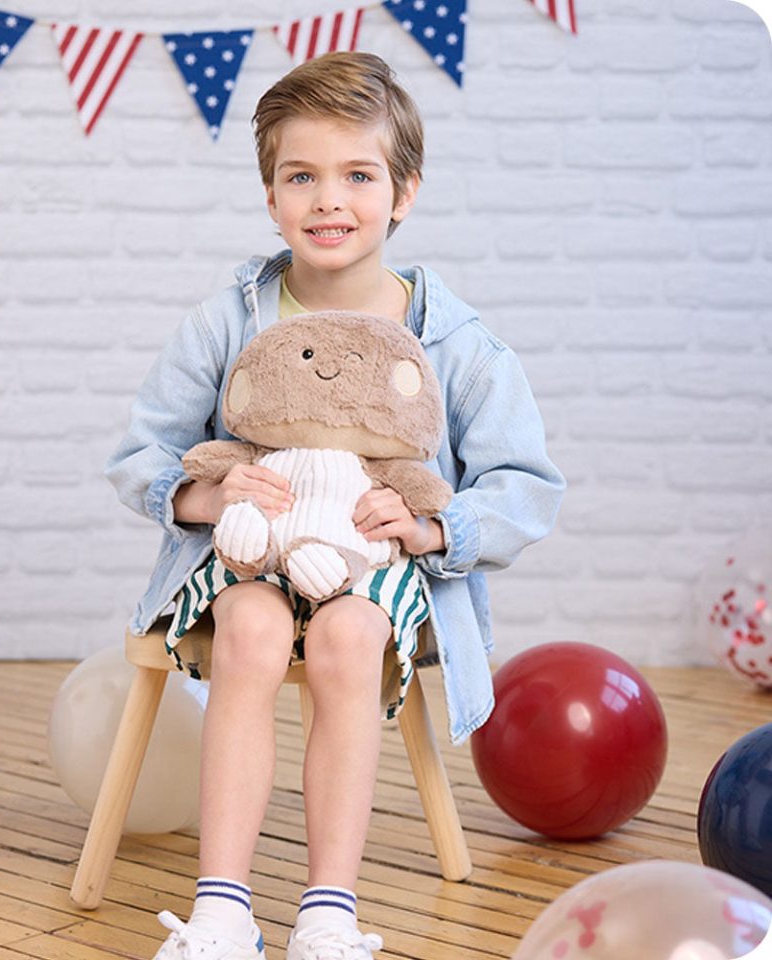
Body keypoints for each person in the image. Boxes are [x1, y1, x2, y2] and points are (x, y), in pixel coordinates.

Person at [106, 51, 564, 960]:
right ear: (270, 195)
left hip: (376, 574)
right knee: (249, 628)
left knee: (349, 639)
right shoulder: (229, 320)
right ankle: (223, 909)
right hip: (253, 556)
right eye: (301, 176)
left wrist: (430, 526)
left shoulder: (452, 340)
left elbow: (526, 483)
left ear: (404, 194)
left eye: (358, 176)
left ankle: (328, 910)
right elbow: (141, 452)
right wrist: (206, 493)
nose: (328, 201)